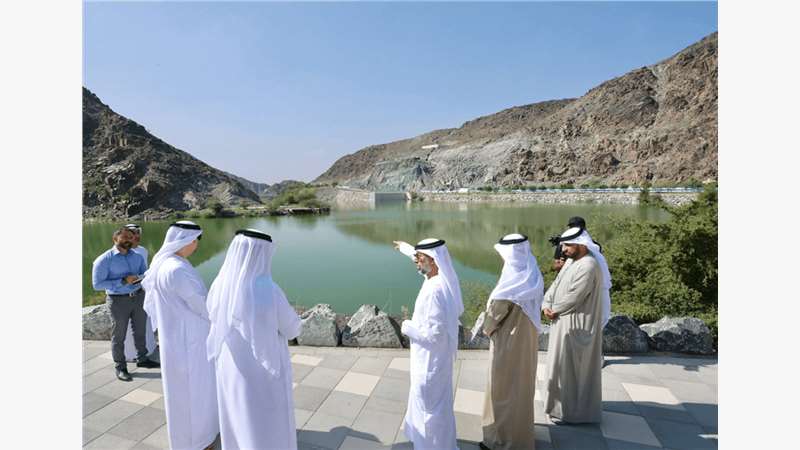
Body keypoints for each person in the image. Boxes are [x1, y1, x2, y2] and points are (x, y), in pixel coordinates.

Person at [206, 229, 302, 450]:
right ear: (261, 254)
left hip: (230, 367)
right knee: (265, 424)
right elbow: (292, 329)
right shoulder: (268, 289)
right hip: (262, 372)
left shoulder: (219, 284)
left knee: (238, 417)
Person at [142, 221, 219, 450]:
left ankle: (191, 438)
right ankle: (199, 442)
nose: (196, 246)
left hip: (177, 336)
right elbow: (200, 305)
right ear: (184, 241)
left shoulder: (167, 263)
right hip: (189, 340)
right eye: (194, 240)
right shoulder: (176, 269)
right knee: (194, 391)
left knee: (183, 392)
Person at [393, 238, 463, 450]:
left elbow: (433, 334)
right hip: (436, 357)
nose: (416, 261)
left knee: (429, 409)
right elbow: (420, 256)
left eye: (420, 258)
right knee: (437, 405)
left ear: (433, 260)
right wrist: (406, 249)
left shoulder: (434, 291)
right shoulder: (441, 278)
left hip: (429, 360)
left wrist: (406, 326)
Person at [480, 234, 544, 450]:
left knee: (503, 389)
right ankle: (521, 437)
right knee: (522, 388)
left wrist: (486, 328)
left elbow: (493, 318)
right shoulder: (532, 271)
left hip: (508, 343)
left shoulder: (511, 282)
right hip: (528, 341)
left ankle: (502, 441)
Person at [540, 227, 607, 424]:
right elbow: (555, 285)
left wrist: (555, 309)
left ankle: (575, 413)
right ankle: (557, 406)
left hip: (577, 324)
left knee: (574, 370)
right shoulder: (571, 261)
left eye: (568, 245)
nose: (564, 250)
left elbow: (576, 295)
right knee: (560, 366)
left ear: (580, 245)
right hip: (562, 321)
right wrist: (546, 304)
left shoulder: (588, 265)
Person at [92, 227, 159, 382]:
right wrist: (122, 281)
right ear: (115, 239)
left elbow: (145, 273)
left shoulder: (137, 256)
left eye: (130, 237)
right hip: (117, 301)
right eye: (124, 238)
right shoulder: (104, 260)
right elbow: (97, 285)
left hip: (138, 297)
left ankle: (143, 359)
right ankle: (120, 367)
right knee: (119, 335)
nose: (129, 240)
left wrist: (140, 278)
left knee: (140, 330)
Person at [123, 223, 157, 362]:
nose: (136, 236)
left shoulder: (143, 250)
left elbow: (145, 270)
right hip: (126, 295)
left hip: (142, 291)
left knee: (144, 323)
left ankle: (148, 349)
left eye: (138, 233)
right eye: (132, 233)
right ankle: (129, 355)